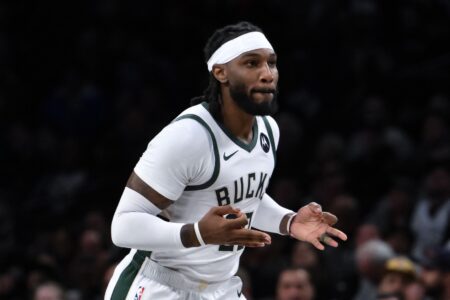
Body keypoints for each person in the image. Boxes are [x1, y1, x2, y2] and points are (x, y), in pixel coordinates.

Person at [104, 21, 347, 300]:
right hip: (159, 286)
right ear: (220, 72)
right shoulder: (188, 136)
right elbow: (123, 226)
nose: (267, 74)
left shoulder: (269, 129)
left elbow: (243, 196)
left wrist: (289, 222)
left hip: (221, 289)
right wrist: (197, 233)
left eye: (272, 63)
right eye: (251, 63)